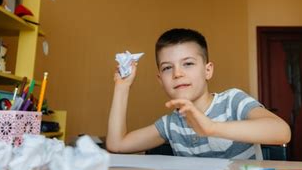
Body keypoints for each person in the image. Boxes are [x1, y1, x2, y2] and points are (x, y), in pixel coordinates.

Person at [106, 28, 291, 159]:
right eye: (167, 67)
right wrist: (122, 87)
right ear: (160, 80)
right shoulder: (171, 124)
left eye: (188, 63)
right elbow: (117, 145)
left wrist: (211, 127)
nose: (177, 73)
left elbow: (282, 132)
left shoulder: (233, 101)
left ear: (208, 70)